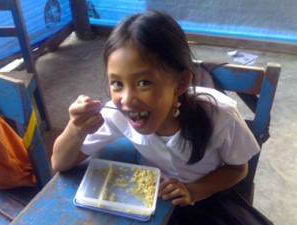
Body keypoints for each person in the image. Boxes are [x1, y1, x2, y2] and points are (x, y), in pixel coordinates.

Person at [52, 10, 269, 224]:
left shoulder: (220, 116)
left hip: (209, 199)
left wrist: (192, 191)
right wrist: (76, 129)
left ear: (180, 83)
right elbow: (60, 163)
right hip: (153, 202)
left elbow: (238, 169)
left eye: (143, 82)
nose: (126, 99)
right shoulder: (116, 115)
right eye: (117, 83)